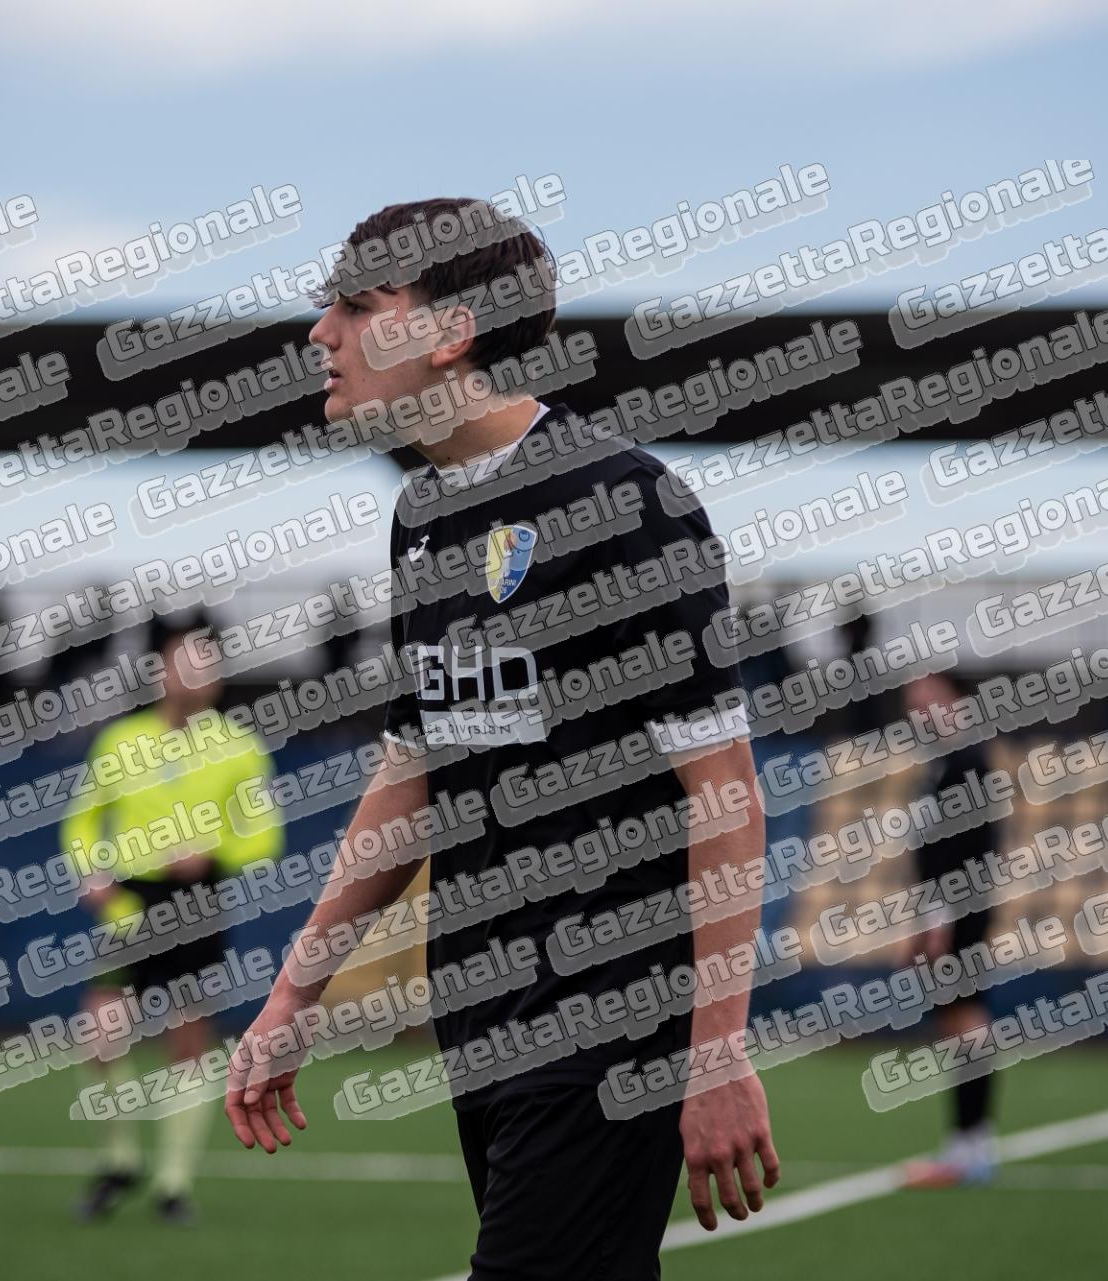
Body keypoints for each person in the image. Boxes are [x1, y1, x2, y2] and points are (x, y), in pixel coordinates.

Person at [226, 198, 780, 1279]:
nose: (322, 333)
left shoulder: (625, 502)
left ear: (451, 331)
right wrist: (297, 991)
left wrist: (716, 1048)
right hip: (479, 1006)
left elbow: (725, 790)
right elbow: (416, 771)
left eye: (357, 306)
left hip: (612, 1009)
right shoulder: (422, 515)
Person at [62, 608, 283, 1222]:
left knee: (187, 1040)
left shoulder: (239, 748)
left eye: (208, 664)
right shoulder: (120, 741)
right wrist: (91, 871)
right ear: (161, 670)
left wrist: (216, 851)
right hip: (132, 902)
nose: (196, 674)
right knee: (100, 1032)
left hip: (198, 902)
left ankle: (173, 1184)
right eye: (185, 661)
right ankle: (120, 1159)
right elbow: (81, 821)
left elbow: (265, 836)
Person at [896, 671, 1006, 1188]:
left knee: (965, 1022)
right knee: (956, 1021)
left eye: (929, 699)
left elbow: (961, 852)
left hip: (959, 911)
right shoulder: (943, 765)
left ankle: (970, 1148)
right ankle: (968, 1144)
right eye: (913, 702)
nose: (919, 710)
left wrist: (938, 922)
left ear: (957, 702)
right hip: (949, 911)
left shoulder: (966, 763)